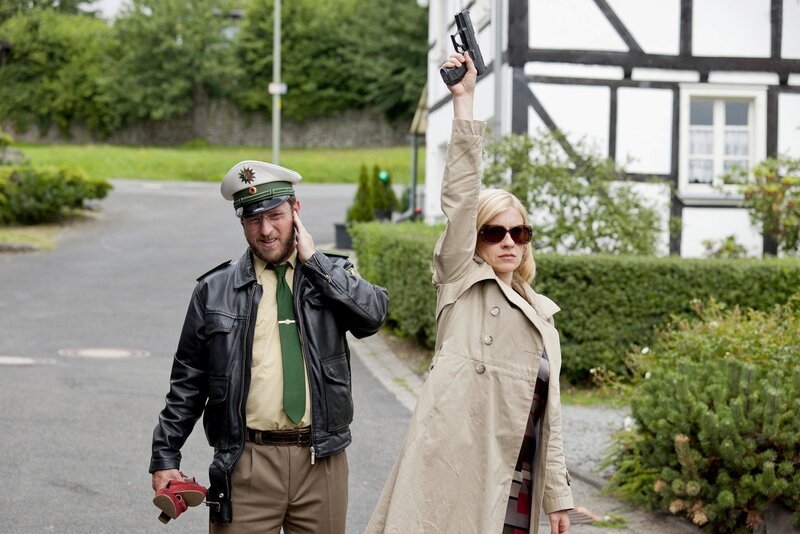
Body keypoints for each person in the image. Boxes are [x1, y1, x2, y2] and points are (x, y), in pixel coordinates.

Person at [366, 52, 573, 534]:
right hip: (452, 476)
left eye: (518, 233)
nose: (507, 242)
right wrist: (465, 100)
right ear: (475, 239)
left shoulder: (543, 316)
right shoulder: (459, 279)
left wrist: (558, 498)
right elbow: (460, 197)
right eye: (493, 232)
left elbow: (552, 419)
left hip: (515, 477)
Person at [149, 160, 389, 533]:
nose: (266, 230)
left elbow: (372, 317)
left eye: (276, 215)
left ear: (296, 210)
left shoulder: (331, 276)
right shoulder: (214, 290)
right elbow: (187, 383)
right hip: (245, 464)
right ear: (241, 222)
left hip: (321, 462)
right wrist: (165, 455)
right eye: (253, 220)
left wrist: (318, 265)